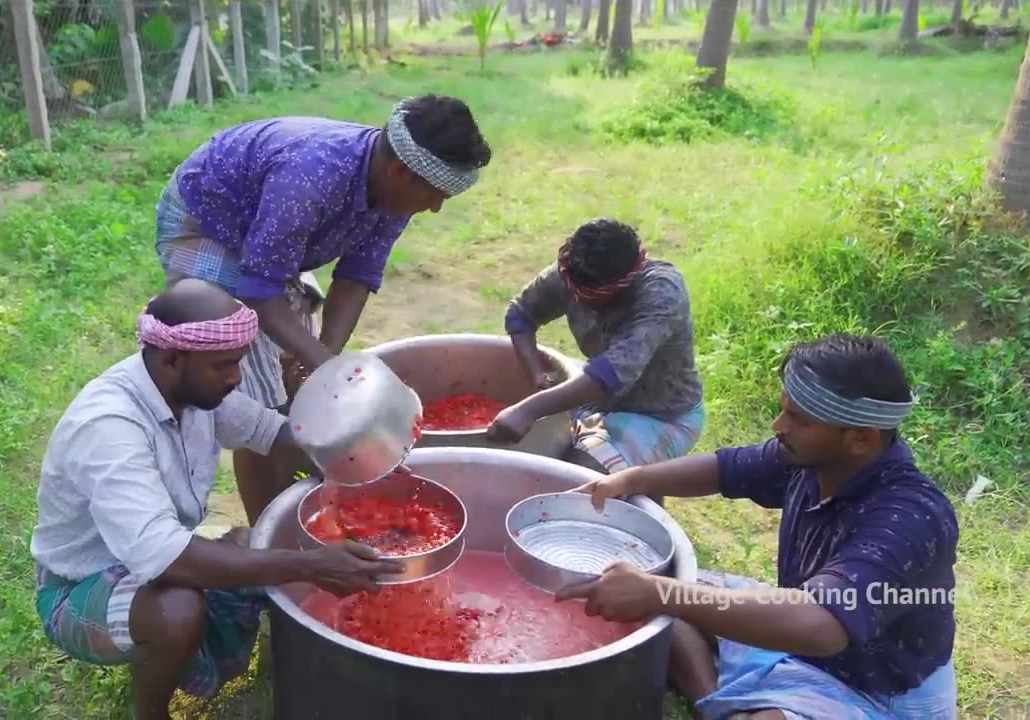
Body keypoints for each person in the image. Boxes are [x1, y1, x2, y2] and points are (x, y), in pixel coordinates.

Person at [29, 279, 405, 720]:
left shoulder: (193, 388)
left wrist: (357, 466)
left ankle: (251, 655)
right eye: (225, 366)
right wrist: (312, 565)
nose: (236, 378)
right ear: (172, 358)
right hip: (78, 589)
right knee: (178, 611)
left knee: (258, 546)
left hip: (152, 556)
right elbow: (167, 556)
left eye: (239, 363)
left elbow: (270, 431)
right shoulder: (110, 428)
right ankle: (149, 714)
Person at [561, 333, 960, 719]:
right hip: (802, 633)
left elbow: (823, 626)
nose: (778, 425)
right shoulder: (811, 460)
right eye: (784, 409)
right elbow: (724, 469)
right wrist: (629, 480)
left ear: (860, 439)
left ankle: (744, 701)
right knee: (662, 588)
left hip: (876, 690)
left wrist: (661, 593)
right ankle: (713, 700)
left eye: (798, 419)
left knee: (663, 595)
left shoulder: (908, 518)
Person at [152, 94, 492, 524]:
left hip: (265, 242)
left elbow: (356, 275)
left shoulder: (395, 193)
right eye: (435, 194)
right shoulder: (310, 177)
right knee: (263, 397)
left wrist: (321, 356)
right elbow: (259, 292)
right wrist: (327, 368)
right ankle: (269, 539)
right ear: (401, 172)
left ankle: (295, 498)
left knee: (298, 380)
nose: (436, 207)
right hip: (207, 224)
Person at [487, 218, 705, 488]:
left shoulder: (661, 291)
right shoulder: (572, 276)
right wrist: (537, 376)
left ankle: (642, 493)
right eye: (576, 292)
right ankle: (644, 492)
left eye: (594, 296)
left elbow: (610, 375)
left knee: (572, 479)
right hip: (599, 401)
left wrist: (529, 409)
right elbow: (521, 316)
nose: (579, 300)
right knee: (537, 453)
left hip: (661, 414)